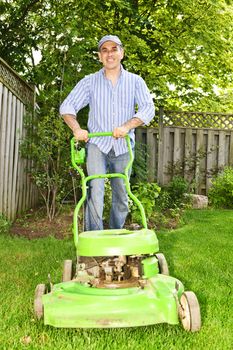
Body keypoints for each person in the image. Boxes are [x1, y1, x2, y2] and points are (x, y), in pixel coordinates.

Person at [60, 34, 155, 231]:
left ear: (122, 53)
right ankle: (94, 239)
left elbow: (148, 109)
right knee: (95, 190)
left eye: (114, 49)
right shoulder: (89, 82)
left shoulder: (135, 81)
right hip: (97, 145)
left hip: (123, 146)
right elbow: (67, 106)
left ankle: (115, 233)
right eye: (104, 50)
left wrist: (127, 126)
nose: (109, 54)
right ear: (99, 56)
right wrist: (77, 129)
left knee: (121, 194)